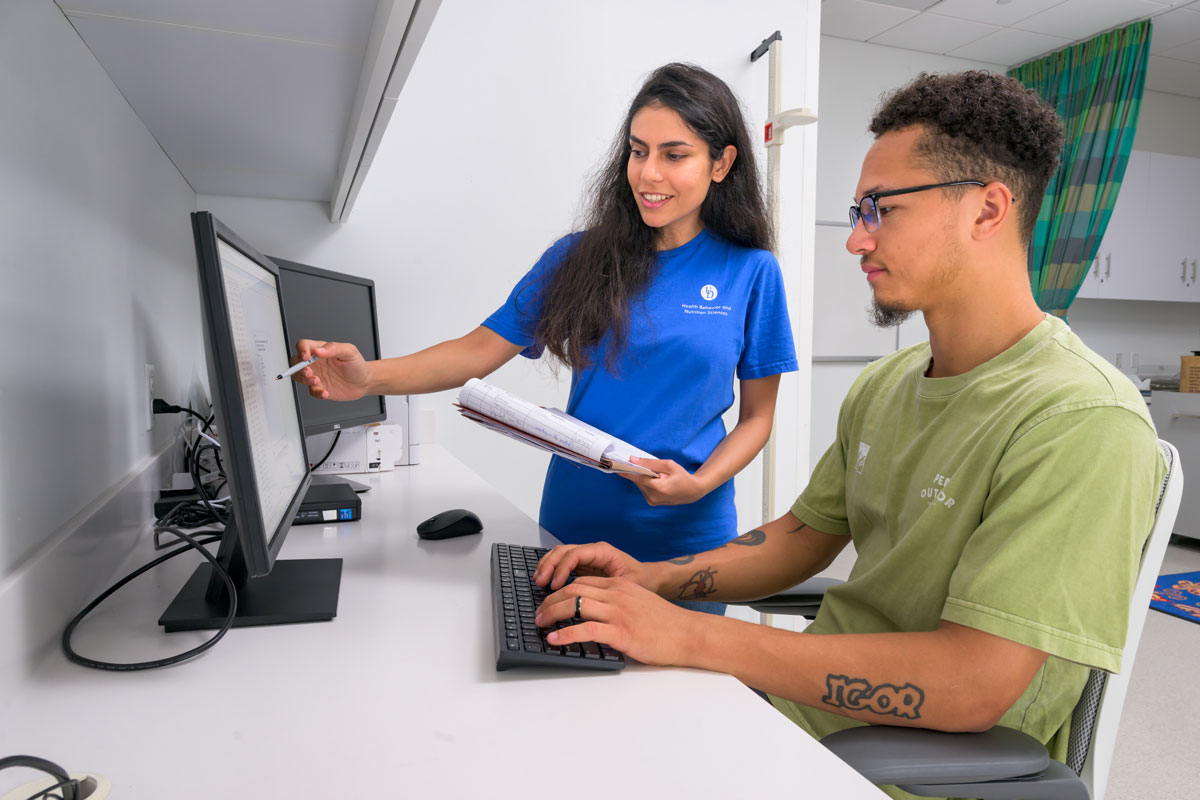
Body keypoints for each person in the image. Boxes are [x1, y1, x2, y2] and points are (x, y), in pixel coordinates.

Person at [531, 70, 1164, 793]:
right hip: (795, 715)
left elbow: (973, 685)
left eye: (880, 210)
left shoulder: (1079, 420)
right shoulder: (887, 384)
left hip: (898, 770)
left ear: (988, 210)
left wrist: (691, 634)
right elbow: (803, 535)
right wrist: (656, 578)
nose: (856, 239)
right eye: (857, 211)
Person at [291, 63, 799, 589]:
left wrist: (698, 484)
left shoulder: (751, 272)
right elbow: (476, 350)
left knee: (686, 672)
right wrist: (366, 377)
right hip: (574, 524)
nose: (649, 174)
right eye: (638, 150)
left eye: (675, 155)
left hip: (686, 537)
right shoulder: (577, 258)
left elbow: (758, 417)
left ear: (722, 163)